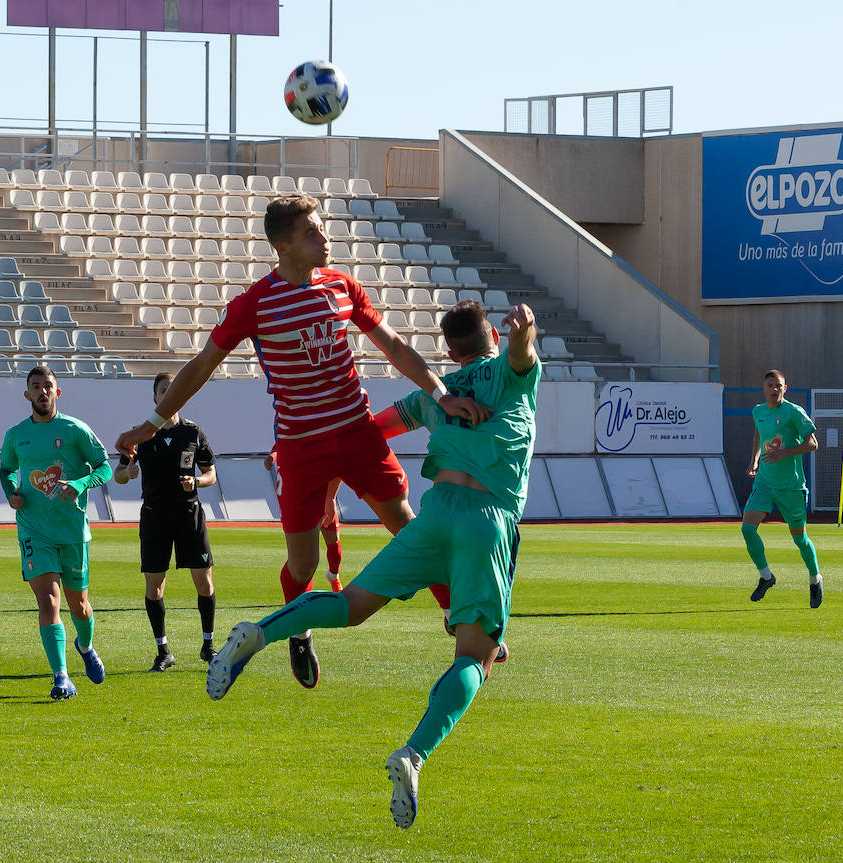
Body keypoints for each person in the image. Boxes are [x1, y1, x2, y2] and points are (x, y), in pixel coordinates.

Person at [116, 193, 486, 690]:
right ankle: (299, 627)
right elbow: (202, 364)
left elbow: (394, 345)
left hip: (357, 433)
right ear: (282, 246)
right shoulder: (254, 304)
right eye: (311, 231)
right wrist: (152, 423)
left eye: (321, 228)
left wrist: (439, 394)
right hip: (302, 447)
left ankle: (457, 616)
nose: (325, 237)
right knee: (303, 563)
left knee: (410, 527)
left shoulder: (342, 286)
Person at [206, 301, 539, 830]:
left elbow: (375, 429)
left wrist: (336, 471)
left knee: (350, 605)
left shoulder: (437, 396)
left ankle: (256, 634)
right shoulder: (506, 372)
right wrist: (525, 336)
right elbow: (521, 361)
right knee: (476, 656)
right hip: (487, 521)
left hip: (435, 516)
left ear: (450, 352)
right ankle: (413, 754)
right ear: (491, 337)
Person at [0, 364, 113, 699]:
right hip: (35, 530)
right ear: (27, 394)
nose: (42, 392)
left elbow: (105, 466)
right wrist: (12, 493)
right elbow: (6, 469)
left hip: (73, 532)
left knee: (80, 606)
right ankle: (61, 676)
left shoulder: (76, 430)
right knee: (49, 600)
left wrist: (79, 482)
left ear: (57, 391)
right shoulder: (16, 435)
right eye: (36, 386)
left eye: (47, 385)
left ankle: (86, 645)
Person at [114, 371, 220, 671]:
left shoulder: (193, 432)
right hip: (155, 515)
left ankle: (208, 645)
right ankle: (163, 652)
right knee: (155, 586)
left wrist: (198, 482)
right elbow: (119, 475)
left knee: (204, 580)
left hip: (189, 513)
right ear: (155, 398)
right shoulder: (141, 435)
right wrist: (127, 474)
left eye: (174, 389)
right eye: (164, 390)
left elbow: (212, 473)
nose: (169, 394)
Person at [742, 368, 823, 608]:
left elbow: (813, 443)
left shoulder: (794, 412)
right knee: (747, 529)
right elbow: (759, 432)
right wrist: (754, 460)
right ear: (764, 388)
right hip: (765, 483)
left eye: (779, 386)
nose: (774, 389)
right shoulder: (758, 411)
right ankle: (766, 577)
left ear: (785, 388)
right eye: (770, 385)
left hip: (791, 487)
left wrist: (783, 453)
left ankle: (815, 578)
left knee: (800, 539)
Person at [266, 447, 343, 592]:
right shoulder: (292, 437)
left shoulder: (322, 439)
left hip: (324, 502)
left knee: (334, 545)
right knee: (304, 557)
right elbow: (280, 448)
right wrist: (272, 457)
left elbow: (339, 463)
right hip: (302, 503)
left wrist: (330, 498)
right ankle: (302, 594)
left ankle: (334, 576)